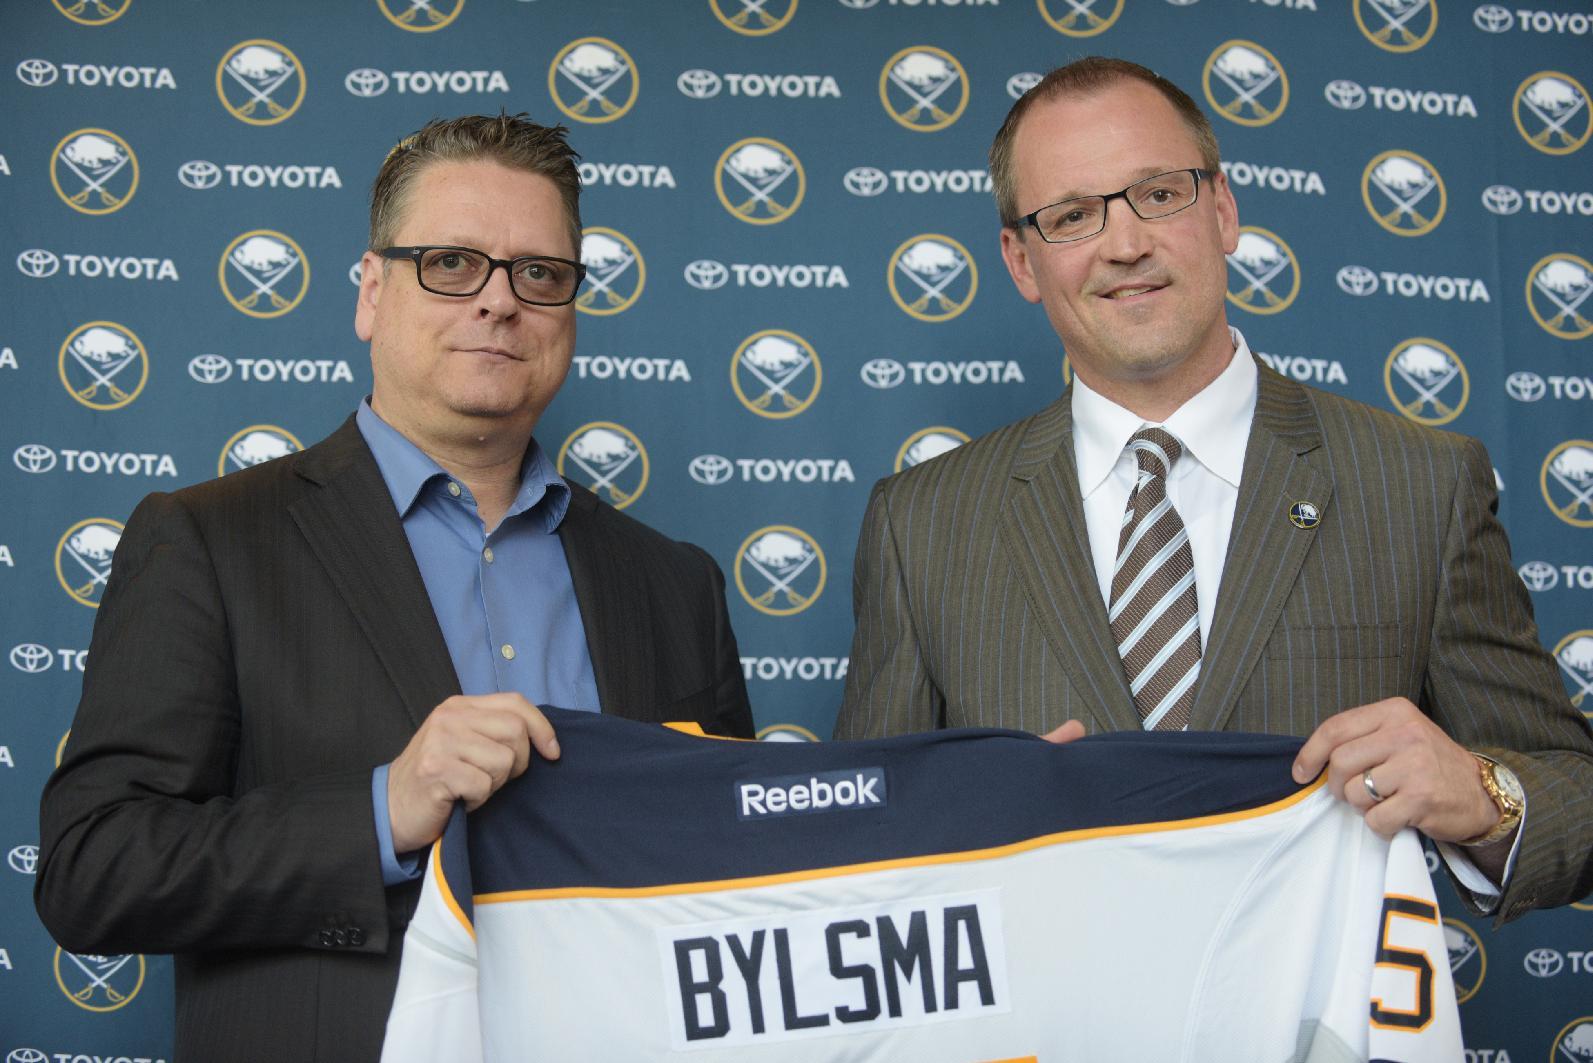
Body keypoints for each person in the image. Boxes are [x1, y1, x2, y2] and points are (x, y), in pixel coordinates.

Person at [36, 114, 753, 1062]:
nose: (499, 303)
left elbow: (738, 878)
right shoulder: (210, 540)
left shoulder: (674, 583)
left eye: (539, 273)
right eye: (452, 263)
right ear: (372, 292)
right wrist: (382, 809)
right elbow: (95, 870)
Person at [834, 57, 1593, 922]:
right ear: (1020, 260)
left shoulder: (1419, 483)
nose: (1125, 244)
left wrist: (1483, 790)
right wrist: (954, 818)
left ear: (1222, 210)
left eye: (1158, 193)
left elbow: (1575, 798)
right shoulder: (921, 524)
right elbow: (858, 839)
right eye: (1072, 216)